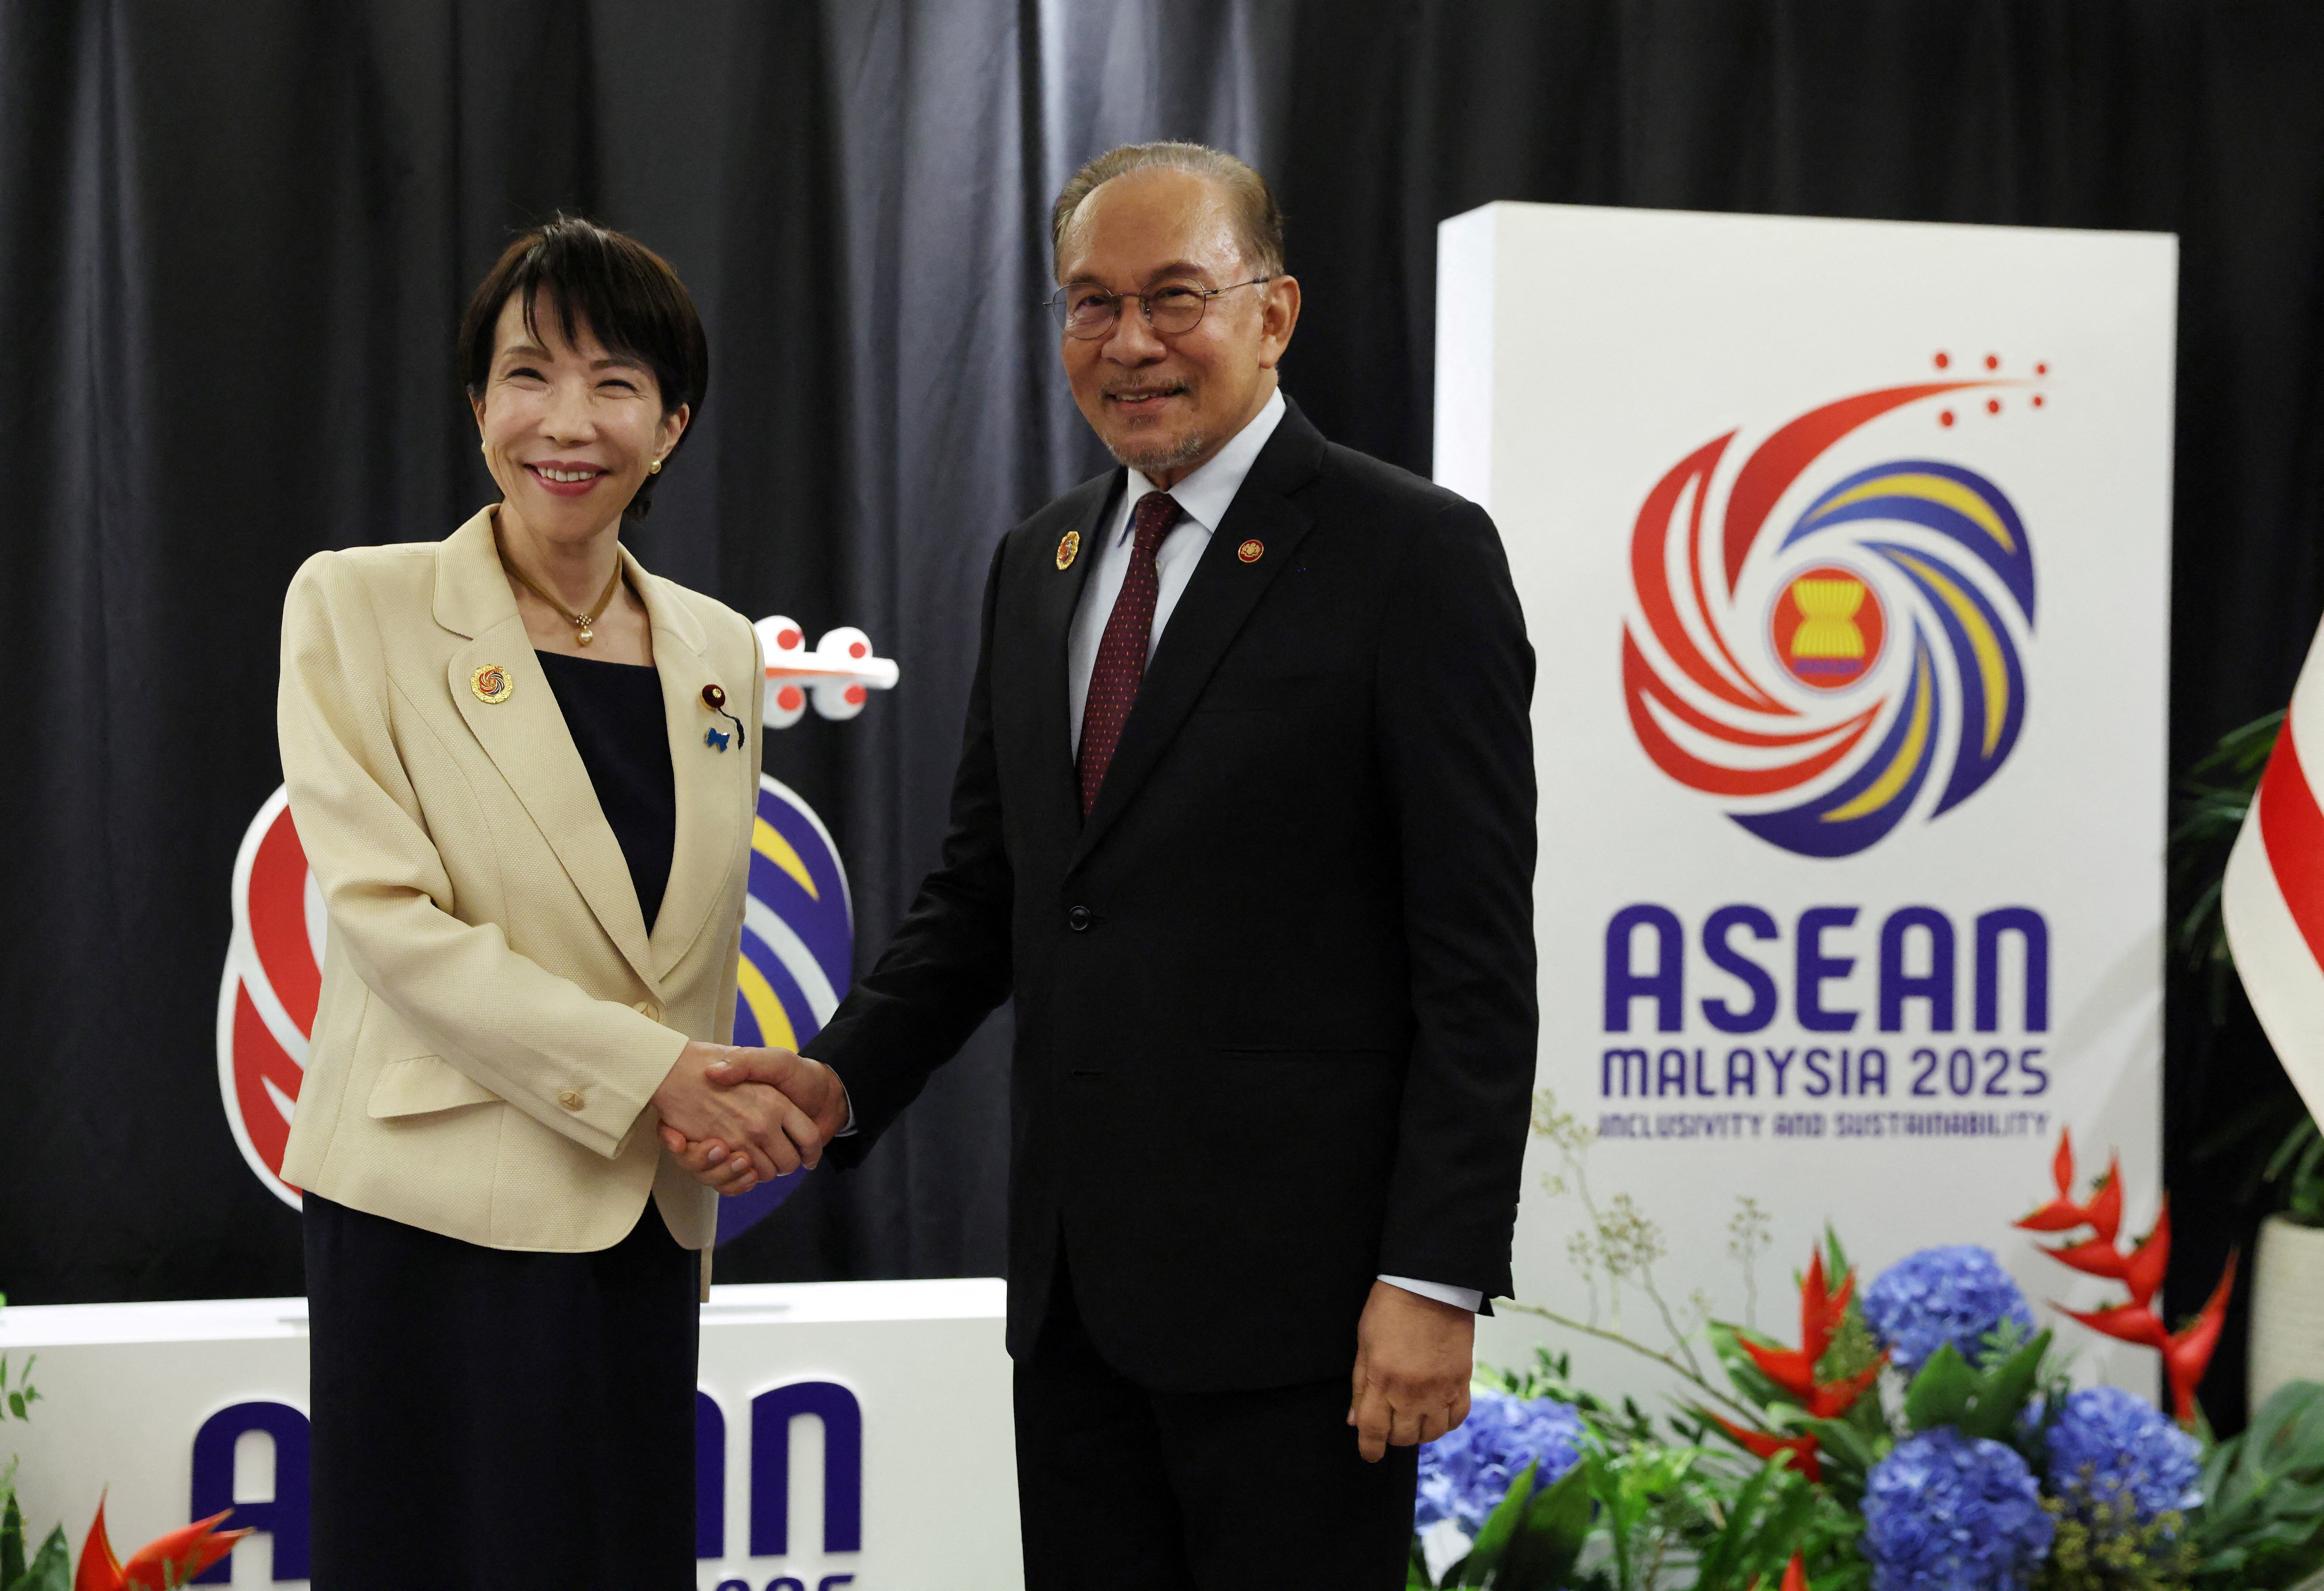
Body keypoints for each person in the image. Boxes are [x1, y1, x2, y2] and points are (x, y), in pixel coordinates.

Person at [691, 142, 1537, 1586]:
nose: (1130, 340)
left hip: (1309, 1323)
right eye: (1090, 301)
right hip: (1076, 1305)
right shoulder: (1045, 558)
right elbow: (989, 894)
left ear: (1272, 314)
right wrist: (840, 1078)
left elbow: (1473, 964)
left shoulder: (1414, 554)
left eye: (1173, 296)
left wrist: (1430, 1278)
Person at [276, 215, 846, 1590]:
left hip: (641, 1218)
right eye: (529, 374)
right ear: (478, 404)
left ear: (672, 424)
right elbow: (388, 922)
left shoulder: (714, 646)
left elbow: (681, 942)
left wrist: (698, 1105)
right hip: (433, 1215)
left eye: (616, 384)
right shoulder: (361, 605)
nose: (567, 421)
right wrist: (665, 1077)